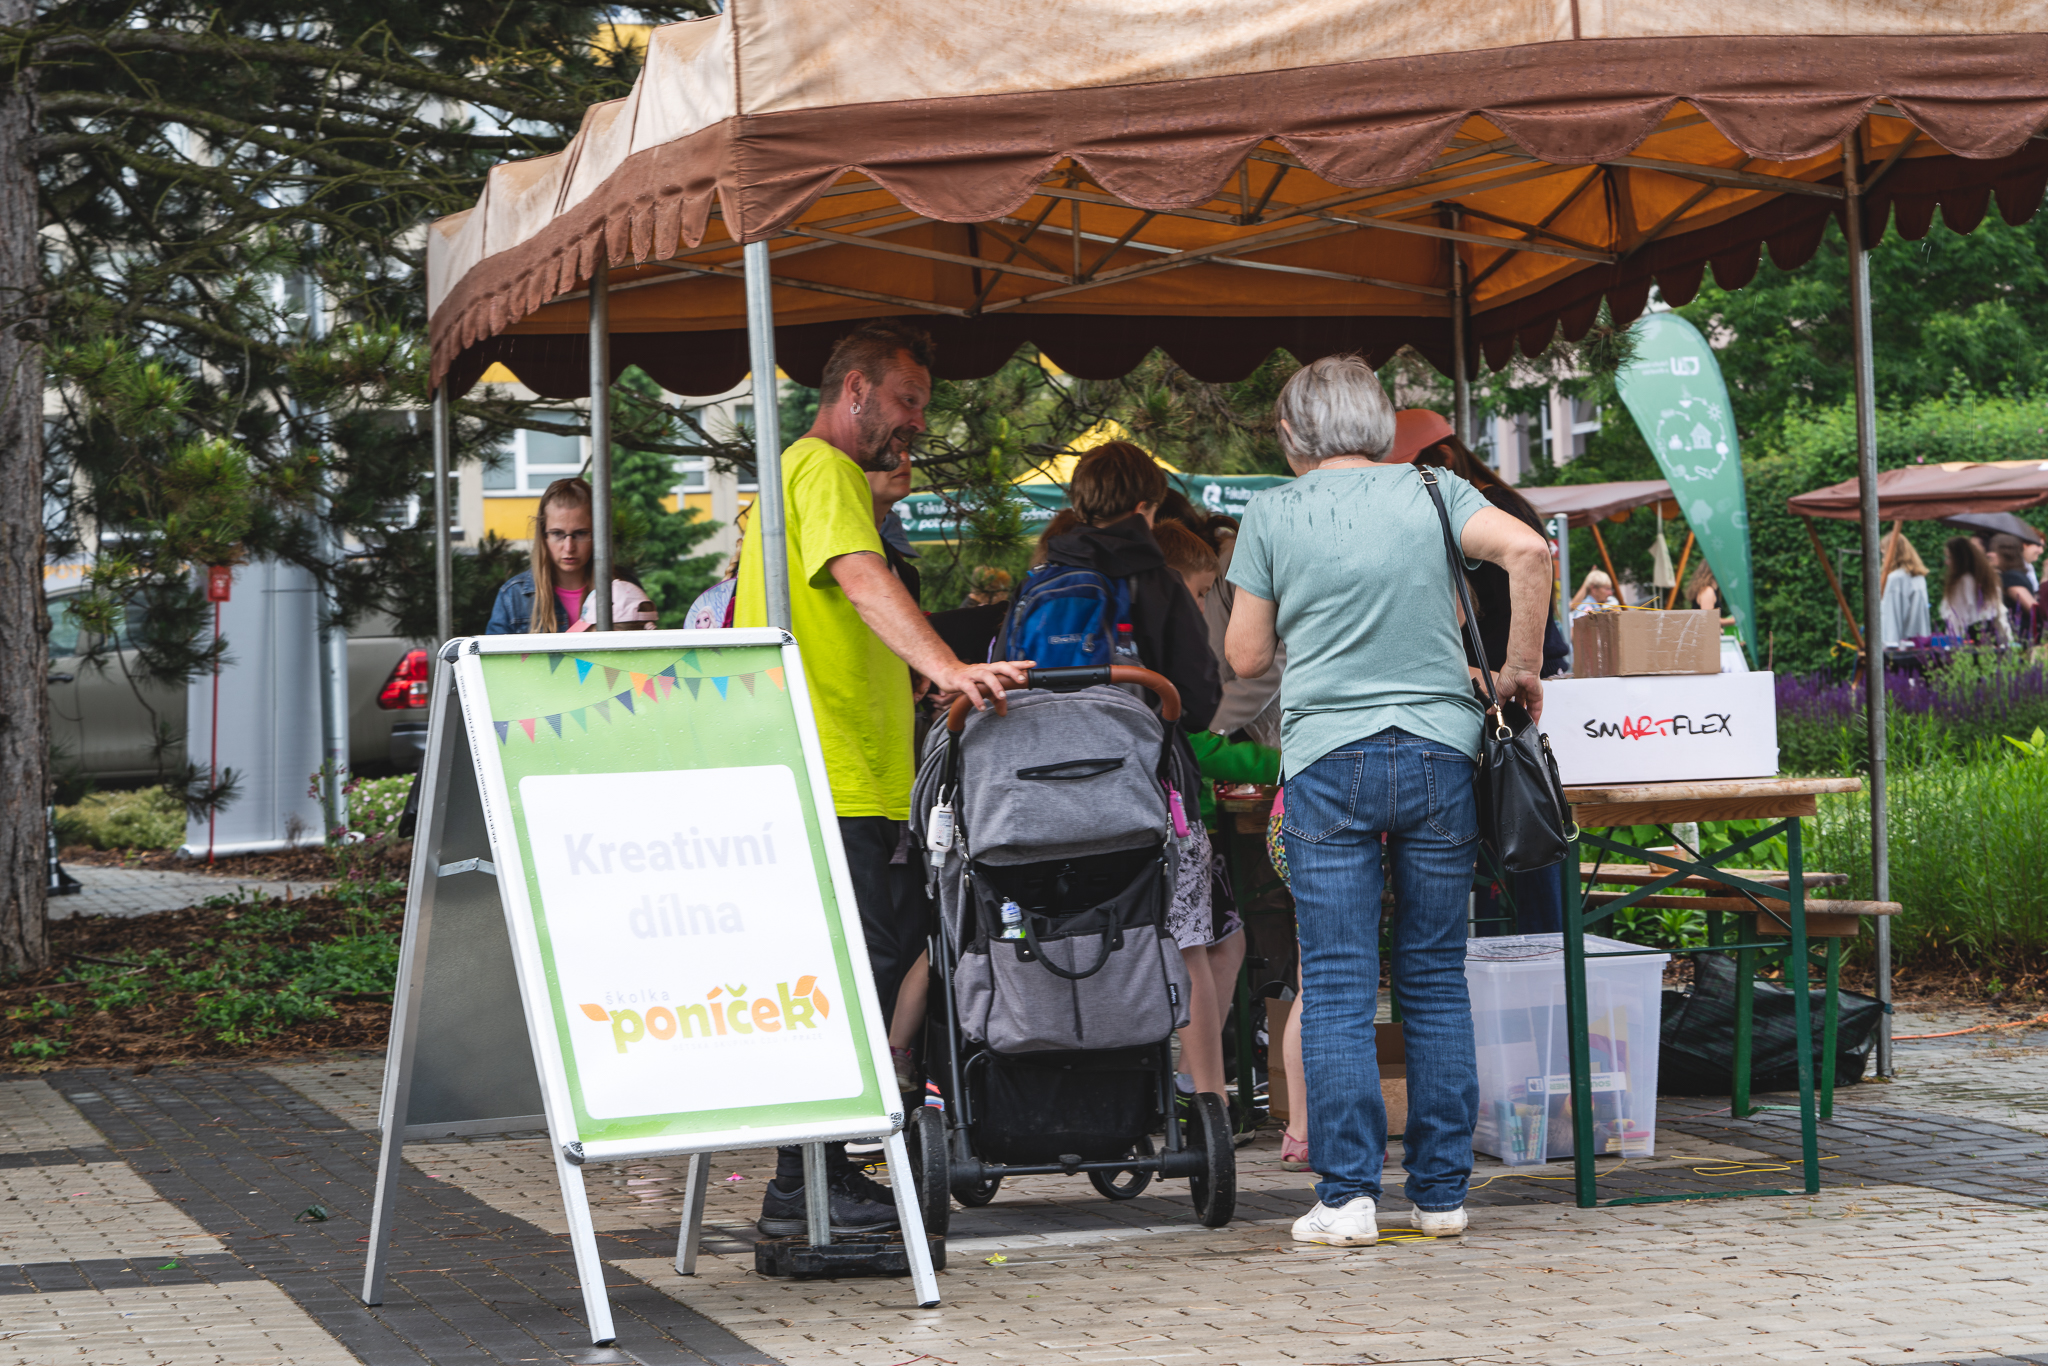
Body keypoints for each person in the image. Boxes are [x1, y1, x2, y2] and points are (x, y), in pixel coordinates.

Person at [1224, 353, 1551, 1247]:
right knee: (1435, 977)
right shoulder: (1436, 490)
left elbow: (1246, 657)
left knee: (1336, 982)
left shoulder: (1274, 512)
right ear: (1377, 424)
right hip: (1442, 754)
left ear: (1289, 432)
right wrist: (1519, 670)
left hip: (1329, 759)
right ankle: (1441, 1196)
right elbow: (1529, 550)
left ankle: (1347, 1200)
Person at [732, 320, 1031, 1237]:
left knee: (849, 980)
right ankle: (806, 1184)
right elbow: (861, 579)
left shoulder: (801, 476)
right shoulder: (823, 469)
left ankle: (813, 1178)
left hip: (826, 774)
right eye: (906, 401)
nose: (917, 424)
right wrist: (950, 668)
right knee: (851, 982)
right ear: (854, 390)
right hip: (836, 780)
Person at [1411, 421, 1567, 936]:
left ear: (1442, 461)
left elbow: (1487, 595)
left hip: (1499, 688)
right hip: (1496, 682)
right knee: (1517, 819)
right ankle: (1529, 948)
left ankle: (1536, 950)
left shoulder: (1482, 507)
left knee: (1520, 815)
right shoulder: (1496, 502)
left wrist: (1513, 669)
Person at [485, 477, 656, 634]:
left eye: (580, 533)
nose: (569, 547)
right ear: (543, 535)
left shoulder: (625, 585)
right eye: (557, 534)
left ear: (598, 533)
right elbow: (490, 658)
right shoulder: (513, 595)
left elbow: (646, 653)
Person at [1942, 536, 2011, 645]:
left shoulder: (1962, 581)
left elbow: (1957, 617)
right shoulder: (1987, 578)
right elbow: (2000, 612)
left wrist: (1951, 644)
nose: (1947, 562)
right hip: (1990, 635)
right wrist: (2009, 640)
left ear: (1959, 559)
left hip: (1970, 638)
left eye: (1950, 557)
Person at [1879, 525, 1931, 648]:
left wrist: (1890, 648)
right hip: (1920, 642)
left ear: (1893, 554)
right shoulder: (1918, 576)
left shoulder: (1896, 578)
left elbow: (1891, 617)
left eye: (1884, 555)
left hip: (1901, 645)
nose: (1883, 560)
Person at [1990, 533, 2039, 642]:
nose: (1990, 555)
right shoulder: (2014, 574)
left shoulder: (2011, 577)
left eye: (1993, 551)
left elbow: (2033, 609)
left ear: (2003, 554)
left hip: (2019, 639)